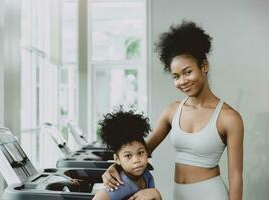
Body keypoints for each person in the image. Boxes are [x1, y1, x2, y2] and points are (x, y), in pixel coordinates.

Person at [102, 20, 244, 200]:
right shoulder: (172, 111)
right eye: (176, 76)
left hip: (211, 194)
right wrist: (115, 167)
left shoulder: (229, 118)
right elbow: (142, 150)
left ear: (204, 66)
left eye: (187, 72)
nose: (182, 81)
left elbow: (236, 176)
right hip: (179, 194)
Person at [92, 108, 162, 200]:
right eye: (128, 156)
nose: (136, 160)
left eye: (140, 152)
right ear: (117, 159)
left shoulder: (147, 175)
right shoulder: (119, 185)